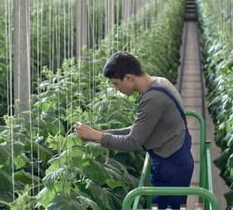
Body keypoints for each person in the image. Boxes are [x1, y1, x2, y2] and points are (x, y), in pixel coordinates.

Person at [74, 51, 194, 209]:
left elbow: (132, 142)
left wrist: (96, 136)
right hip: (174, 156)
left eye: (116, 83)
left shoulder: (153, 99)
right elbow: (138, 129)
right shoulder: (160, 82)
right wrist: (99, 134)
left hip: (171, 165)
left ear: (129, 77)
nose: (117, 89)